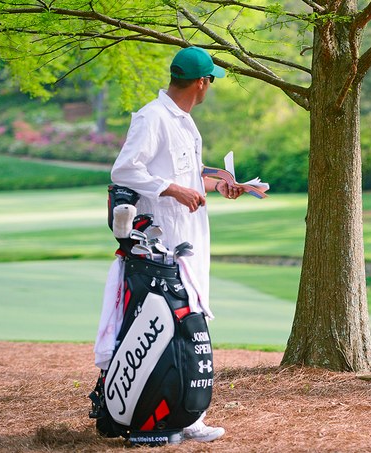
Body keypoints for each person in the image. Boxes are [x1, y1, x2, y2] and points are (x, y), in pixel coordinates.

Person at [109, 46, 244, 441]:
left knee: (188, 325)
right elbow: (124, 169)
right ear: (201, 82)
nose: (210, 87)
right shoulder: (152, 118)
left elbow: (185, 174)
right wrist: (171, 190)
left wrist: (220, 185)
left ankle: (186, 416)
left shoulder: (184, 120)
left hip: (190, 236)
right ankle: (158, 416)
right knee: (167, 325)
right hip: (163, 243)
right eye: (211, 80)